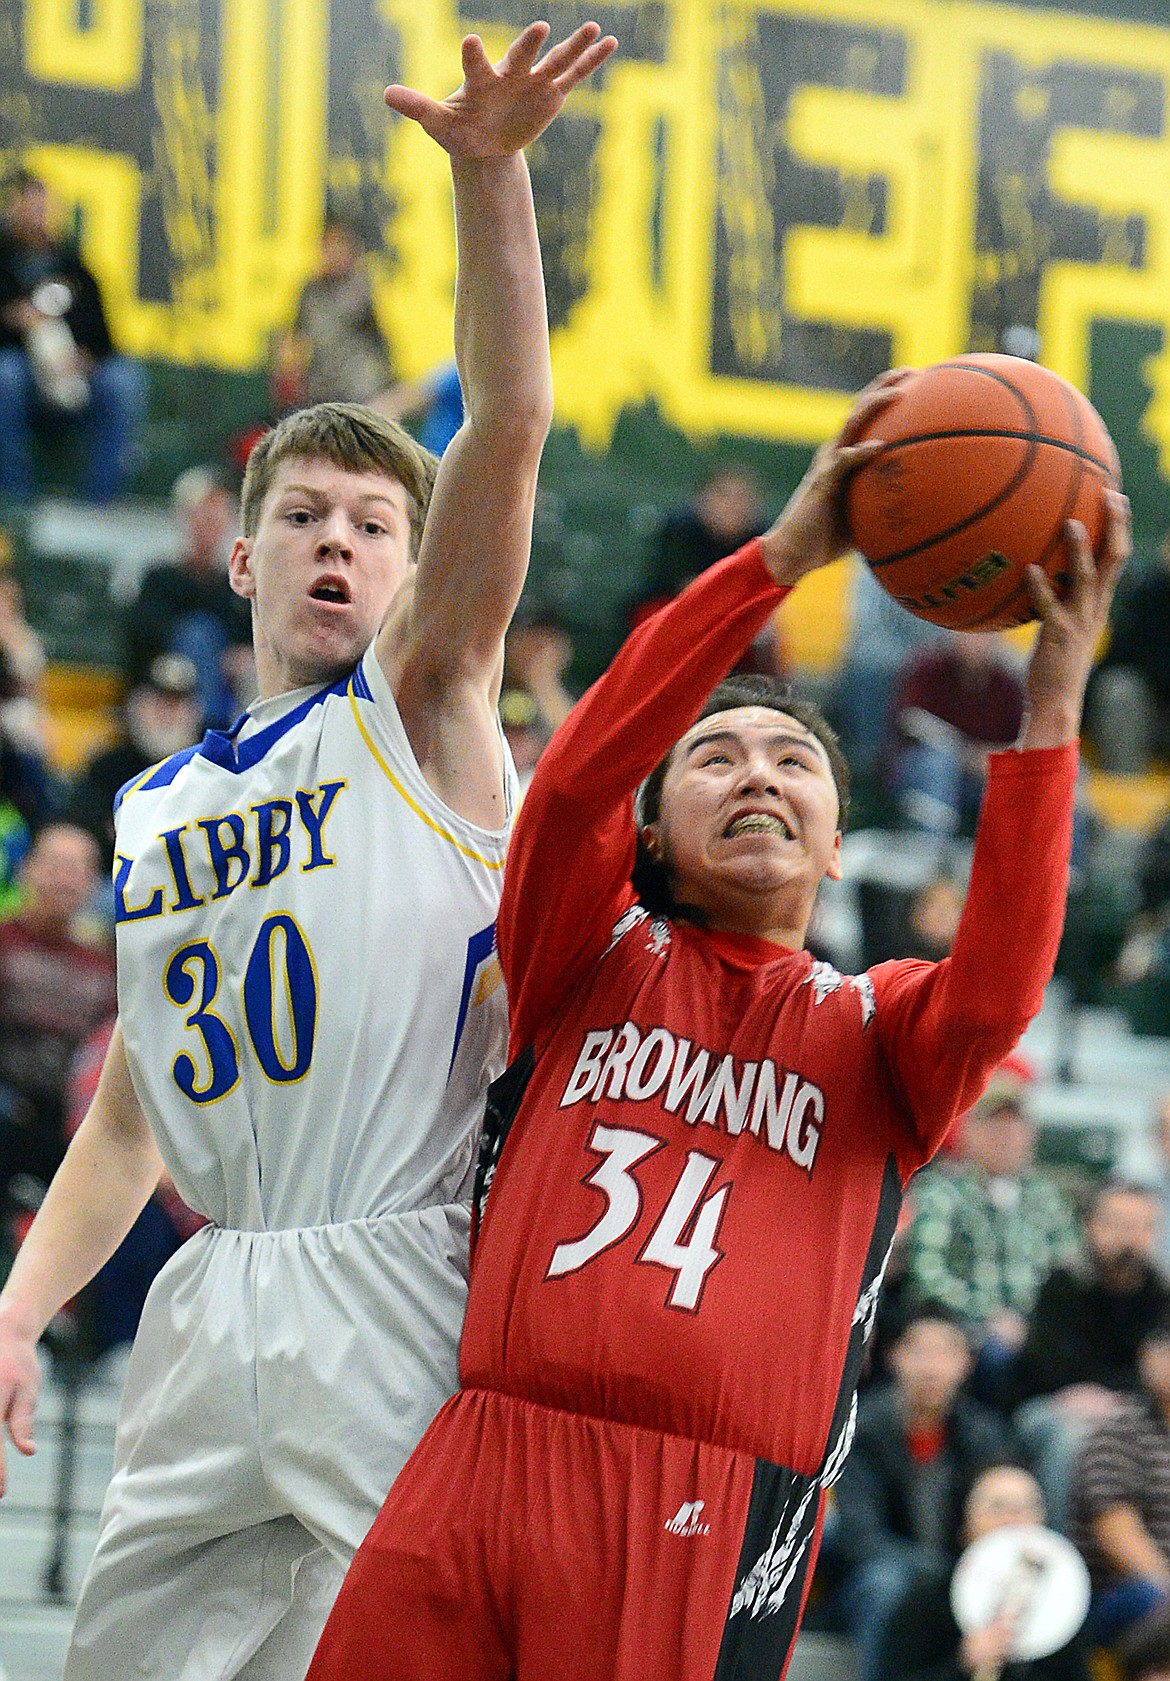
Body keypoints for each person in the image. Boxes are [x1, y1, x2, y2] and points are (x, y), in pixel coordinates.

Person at [305, 376, 1129, 1681]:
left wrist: (1051, 705)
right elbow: (574, 777)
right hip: (488, 1449)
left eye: (793, 760)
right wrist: (779, 559)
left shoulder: (880, 1027)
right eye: (714, 755)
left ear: (836, 840)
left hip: (704, 1501)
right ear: (654, 827)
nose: (755, 769)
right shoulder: (583, 949)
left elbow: (999, 983)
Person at [0, 20, 617, 1681]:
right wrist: (18, 1300)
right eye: (305, 516)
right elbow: (139, 1103)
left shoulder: (423, 700)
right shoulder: (163, 808)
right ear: (243, 551)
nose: (337, 541)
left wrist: (491, 182)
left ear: (414, 570)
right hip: (218, 1298)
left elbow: (511, 423)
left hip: (400, 1281)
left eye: (372, 524)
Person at [828, 1303, 1017, 1681]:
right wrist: (938, 1572)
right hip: (884, 1577)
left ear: (966, 1363)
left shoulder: (984, 1435)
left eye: (946, 1352)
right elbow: (859, 1536)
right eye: (919, 1351)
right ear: (894, 1356)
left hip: (963, 1575)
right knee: (884, 1584)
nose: (931, 1367)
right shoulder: (861, 1431)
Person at [906, 1055, 1080, 1394]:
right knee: (995, 1357)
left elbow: (1071, 1271)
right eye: (994, 1124)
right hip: (970, 1332)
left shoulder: (1049, 1197)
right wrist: (989, 1315)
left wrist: (1035, 1325)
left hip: (1041, 1333)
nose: (1006, 1136)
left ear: (1030, 1134)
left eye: (1015, 1125)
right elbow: (927, 1276)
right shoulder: (942, 1191)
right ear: (970, 1130)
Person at [1010, 1180, 1170, 1532]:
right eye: (1118, 1224)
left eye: (1141, 1226)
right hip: (1055, 1405)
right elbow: (1046, 1366)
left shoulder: (1161, 1294)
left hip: (1135, 1408)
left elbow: (1159, 1371)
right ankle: (1058, 1554)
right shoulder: (1063, 1283)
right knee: (1073, 1441)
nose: (1129, 1237)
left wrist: (1113, 1397)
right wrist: (1097, 1393)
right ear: (1091, 1226)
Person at [0, 168, 146, 504]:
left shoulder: (74, 266)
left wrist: (85, 359)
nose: (38, 217)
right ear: (14, 209)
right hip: (23, 378)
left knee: (123, 382)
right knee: (5, 374)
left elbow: (104, 336)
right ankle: (13, 502)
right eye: (30, 208)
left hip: (72, 377)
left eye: (44, 208)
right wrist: (13, 320)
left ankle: (100, 503)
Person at [876, 1462, 1091, 1681]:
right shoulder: (926, 1600)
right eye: (997, 1508)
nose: (1013, 1521)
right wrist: (963, 1664)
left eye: (1027, 1508)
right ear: (965, 1524)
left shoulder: (1061, 1604)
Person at [0, 824, 114, 1201]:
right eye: (56, 865)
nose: (66, 879)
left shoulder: (104, 966)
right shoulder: (5, 944)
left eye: (80, 869)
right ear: (27, 869)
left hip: (71, 1120)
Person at [124, 465, 253, 728]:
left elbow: (245, 639)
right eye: (203, 515)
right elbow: (144, 636)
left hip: (226, 692)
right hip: (163, 692)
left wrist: (240, 656)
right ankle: (206, 728)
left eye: (217, 517)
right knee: (197, 635)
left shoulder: (236, 586)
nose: (210, 524)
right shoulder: (159, 579)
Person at [1069, 1316, 1170, 1647]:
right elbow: (1117, 1534)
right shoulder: (1117, 1432)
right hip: (1124, 1593)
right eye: (1160, 1349)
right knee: (1148, 1596)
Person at [66, 652, 204, 873]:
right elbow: (85, 828)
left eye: (177, 705)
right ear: (138, 706)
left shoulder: (208, 767)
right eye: (159, 703)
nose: (167, 715)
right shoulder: (108, 766)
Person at [272, 215, 395, 412]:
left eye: (340, 245)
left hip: (361, 392)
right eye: (328, 245)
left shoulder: (360, 286)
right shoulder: (311, 291)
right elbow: (295, 338)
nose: (334, 253)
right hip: (322, 389)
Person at [1086, 531, 1170, 774]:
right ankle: (1125, 801)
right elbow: (1120, 662)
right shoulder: (1150, 595)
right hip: (1149, 715)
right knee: (1119, 689)